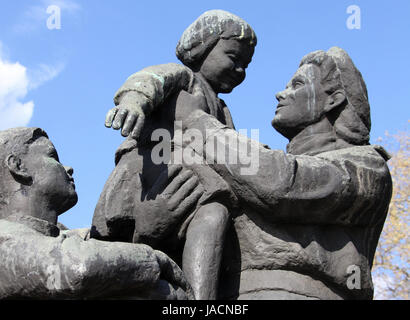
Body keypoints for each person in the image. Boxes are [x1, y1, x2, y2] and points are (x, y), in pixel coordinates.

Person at [175, 47, 392, 299]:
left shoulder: (365, 164)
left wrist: (196, 122)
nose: (281, 93)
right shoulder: (253, 170)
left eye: (297, 85)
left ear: (333, 99)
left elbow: (279, 183)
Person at [92, 10, 256, 300]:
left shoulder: (224, 110)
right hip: (153, 171)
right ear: (204, 46)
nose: (240, 70)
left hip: (195, 187)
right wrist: (133, 102)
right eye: (233, 57)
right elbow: (148, 80)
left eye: (246, 65)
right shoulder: (184, 78)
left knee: (215, 216)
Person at [0, 127, 192, 299]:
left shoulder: (66, 238)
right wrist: (157, 259)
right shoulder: (4, 239)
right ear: (18, 166)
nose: (68, 168)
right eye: (53, 156)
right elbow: (78, 269)